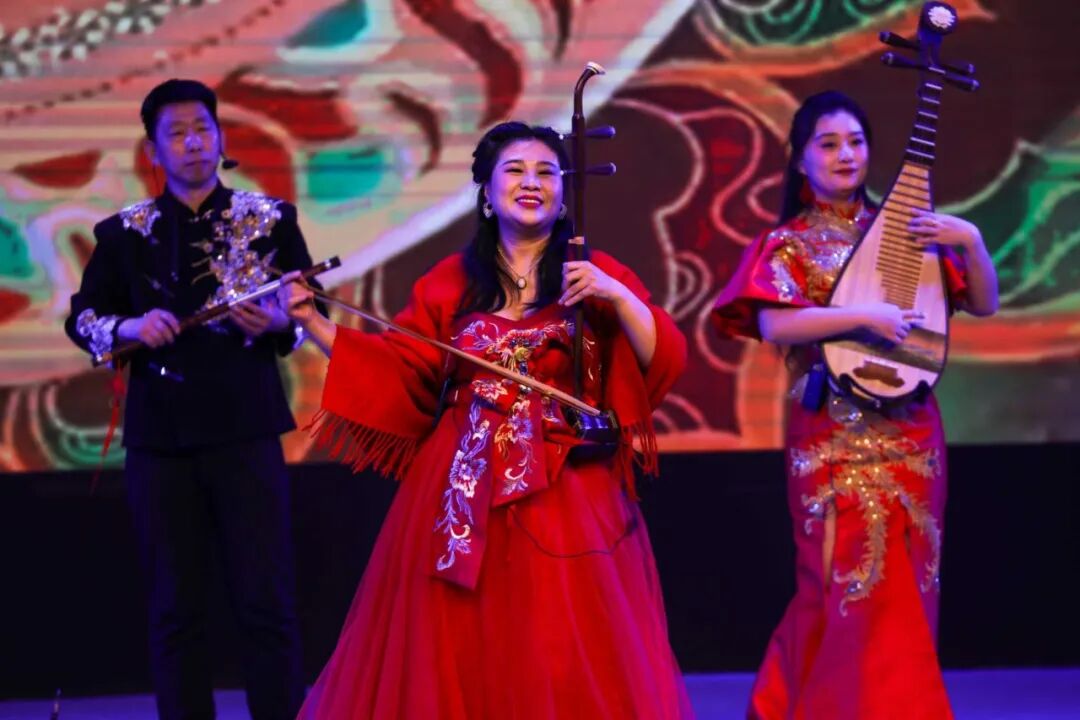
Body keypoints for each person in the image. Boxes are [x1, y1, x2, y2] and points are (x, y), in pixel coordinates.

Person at [280, 121, 694, 719]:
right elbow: (403, 371)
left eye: (547, 172)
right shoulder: (449, 281)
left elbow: (662, 358)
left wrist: (618, 296)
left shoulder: (593, 271)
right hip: (462, 482)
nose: (532, 182)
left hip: (567, 487)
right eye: (515, 170)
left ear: (564, 193)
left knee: (557, 638)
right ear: (486, 192)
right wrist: (315, 323)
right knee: (458, 639)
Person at [712, 90, 999, 719]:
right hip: (830, 435)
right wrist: (860, 316)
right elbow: (774, 325)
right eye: (828, 144)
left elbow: (982, 302)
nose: (846, 154)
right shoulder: (788, 244)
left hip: (911, 432)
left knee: (909, 584)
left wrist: (971, 241)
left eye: (856, 142)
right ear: (799, 160)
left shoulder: (902, 233)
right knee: (835, 582)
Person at [64, 78, 312, 720]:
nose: (194, 142)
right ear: (153, 150)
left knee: (266, 603)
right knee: (175, 609)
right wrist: (130, 327)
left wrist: (278, 323)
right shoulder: (124, 234)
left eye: (203, 128)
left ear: (221, 136)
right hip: (161, 442)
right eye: (177, 134)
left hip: (247, 432)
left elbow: (305, 316)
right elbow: (82, 319)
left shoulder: (272, 219)